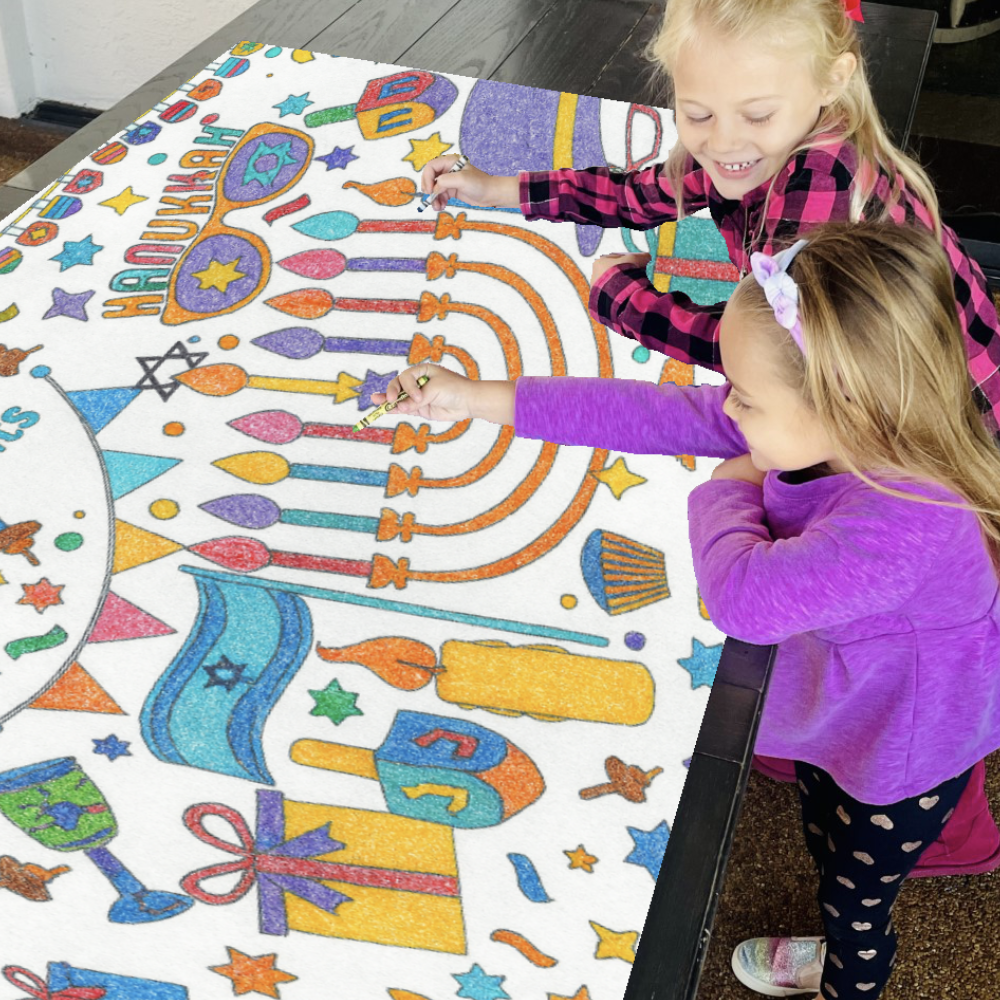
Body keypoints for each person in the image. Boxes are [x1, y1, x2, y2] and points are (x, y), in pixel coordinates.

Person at [371, 221, 1000, 999]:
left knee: (856, 897)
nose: (729, 407)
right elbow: (649, 412)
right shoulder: (842, 422)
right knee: (821, 828)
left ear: (843, 403)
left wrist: (728, 484)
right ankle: (838, 937)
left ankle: (847, 973)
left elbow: (743, 598)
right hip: (857, 701)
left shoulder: (913, 517)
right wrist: (471, 398)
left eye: (745, 396)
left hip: (909, 749)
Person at [420, 0, 1000, 444]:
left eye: (757, 114)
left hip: (948, 422)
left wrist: (625, 301)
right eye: (696, 113)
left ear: (832, 80)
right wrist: (496, 188)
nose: (721, 142)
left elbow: (760, 359)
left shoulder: (823, 192)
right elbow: (641, 193)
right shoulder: (760, 146)